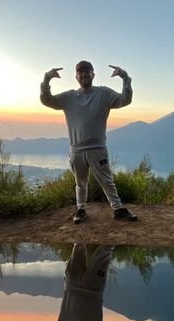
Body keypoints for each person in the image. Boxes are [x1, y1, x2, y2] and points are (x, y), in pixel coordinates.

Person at [40, 61, 138, 224]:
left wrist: (125, 78)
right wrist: (46, 79)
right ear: (76, 77)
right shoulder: (68, 97)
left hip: (97, 148)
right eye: (81, 72)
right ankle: (81, 210)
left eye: (87, 71)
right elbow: (47, 100)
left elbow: (125, 99)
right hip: (77, 150)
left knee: (107, 181)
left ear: (93, 74)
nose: (84, 74)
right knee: (80, 183)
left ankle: (118, 209)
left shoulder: (104, 93)